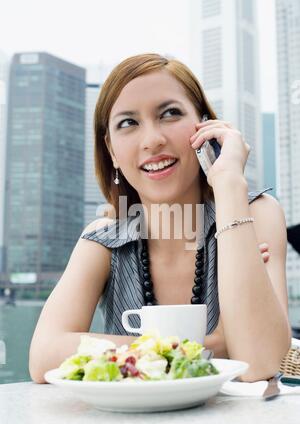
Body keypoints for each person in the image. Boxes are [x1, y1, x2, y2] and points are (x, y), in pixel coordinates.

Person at [29, 53, 291, 384]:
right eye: (128, 123)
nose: (152, 140)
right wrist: (211, 345)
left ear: (206, 126)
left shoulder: (255, 213)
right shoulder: (103, 240)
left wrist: (228, 184)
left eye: (170, 114)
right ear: (111, 150)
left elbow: (261, 362)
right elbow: (44, 356)